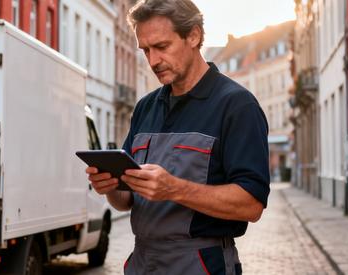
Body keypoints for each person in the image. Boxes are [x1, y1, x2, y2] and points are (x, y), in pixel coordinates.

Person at [85, 0, 271, 274]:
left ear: (193, 36)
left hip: (200, 263)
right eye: (145, 50)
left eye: (161, 47)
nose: (153, 61)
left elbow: (252, 205)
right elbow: (125, 200)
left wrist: (174, 188)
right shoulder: (145, 107)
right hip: (142, 262)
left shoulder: (237, 106)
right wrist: (110, 186)